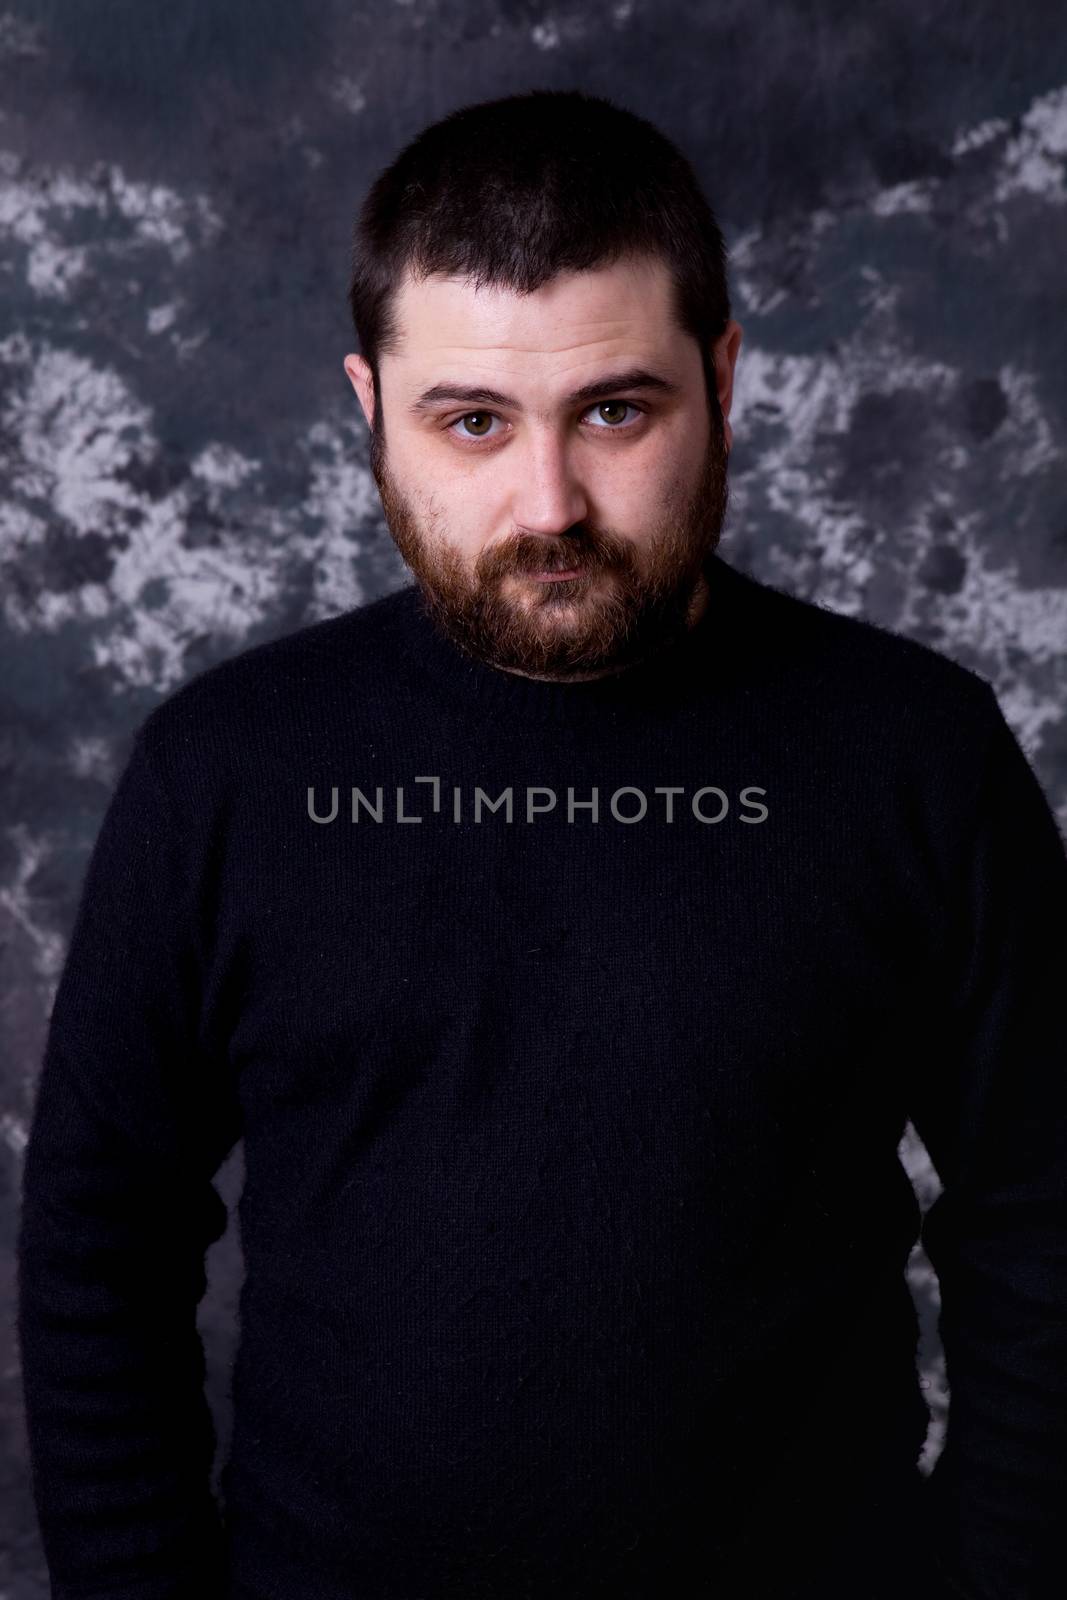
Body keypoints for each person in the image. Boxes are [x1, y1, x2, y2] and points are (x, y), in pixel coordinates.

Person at [16, 87, 1067, 1600]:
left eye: (616, 412)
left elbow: (1043, 1222)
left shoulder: (917, 755)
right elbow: (97, 1251)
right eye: (472, 422)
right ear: (373, 410)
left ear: (723, 379)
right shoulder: (225, 773)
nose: (549, 504)